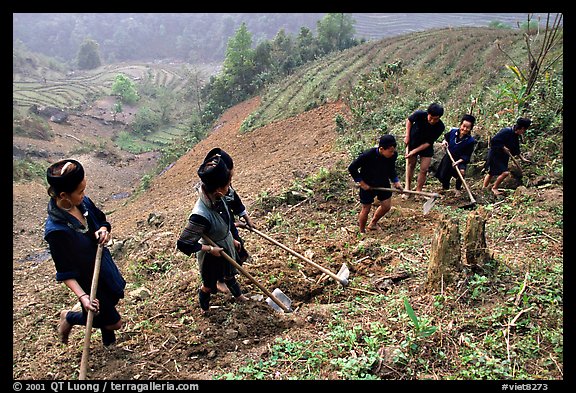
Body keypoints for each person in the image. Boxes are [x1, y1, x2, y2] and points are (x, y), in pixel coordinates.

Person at [44, 159, 126, 347]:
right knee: (114, 321)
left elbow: (102, 221)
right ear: (64, 195)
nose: (84, 195)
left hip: (104, 267)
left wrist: (104, 230)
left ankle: (109, 344)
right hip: (88, 282)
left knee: (112, 300)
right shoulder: (56, 232)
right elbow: (64, 272)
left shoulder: (84, 203)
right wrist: (83, 297)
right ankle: (70, 317)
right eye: (80, 192)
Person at [176, 155, 249, 312]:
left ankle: (239, 296)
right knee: (208, 286)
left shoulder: (218, 198)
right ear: (218, 190)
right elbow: (184, 244)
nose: (229, 189)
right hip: (211, 254)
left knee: (230, 275)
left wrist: (230, 237)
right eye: (227, 185)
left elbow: (225, 220)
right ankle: (205, 309)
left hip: (226, 243)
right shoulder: (200, 215)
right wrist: (210, 249)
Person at [202, 148, 255, 294]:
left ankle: (230, 274)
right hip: (220, 233)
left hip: (229, 226)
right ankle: (221, 280)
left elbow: (237, 203)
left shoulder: (226, 187)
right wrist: (229, 237)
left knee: (238, 249)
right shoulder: (212, 199)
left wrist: (246, 219)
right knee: (224, 258)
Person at [348, 134, 403, 233]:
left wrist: (396, 181)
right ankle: (362, 232)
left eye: (393, 151)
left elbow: (391, 169)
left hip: (383, 182)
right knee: (366, 208)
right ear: (381, 149)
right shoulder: (367, 155)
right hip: (367, 183)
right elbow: (352, 168)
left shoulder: (393, 155)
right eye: (390, 151)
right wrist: (362, 183)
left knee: (386, 206)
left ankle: (373, 223)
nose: (392, 153)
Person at [483, 117, 532, 196]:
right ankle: (493, 188)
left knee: (491, 173)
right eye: (524, 130)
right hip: (495, 154)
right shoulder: (506, 131)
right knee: (502, 173)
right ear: (522, 128)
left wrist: (522, 159)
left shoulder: (515, 135)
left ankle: (484, 188)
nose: (524, 132)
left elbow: (516, 148)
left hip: (503, 156)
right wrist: (502, 147)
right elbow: (494, 141)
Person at [404, 103, 445, 193]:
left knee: (424, 169)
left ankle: (418, 191)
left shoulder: (440, 127)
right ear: (428, 114)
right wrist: (407, 135)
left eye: (436, 119)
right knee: (411, 165)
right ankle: (408, 188)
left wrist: (414, 151)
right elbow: (409, 121)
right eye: (431, 118)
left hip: (426, 147)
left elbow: (428, 143)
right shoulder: (419, 114)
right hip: (413, 142)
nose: (432, 121)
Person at [434, 114, 477, 192]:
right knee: (444, 174)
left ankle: (457, 188)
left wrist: (458, 162)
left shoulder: (470, 141)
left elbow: (467, 155)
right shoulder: (453, 132)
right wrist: (444, 142)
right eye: (463, 126)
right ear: (460, 125)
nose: (464, 129)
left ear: (471, 128)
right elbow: (446, 138)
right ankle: (445, 188)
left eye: (468, 127)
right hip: (449, 156)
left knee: (462, 172)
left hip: (460, 160)